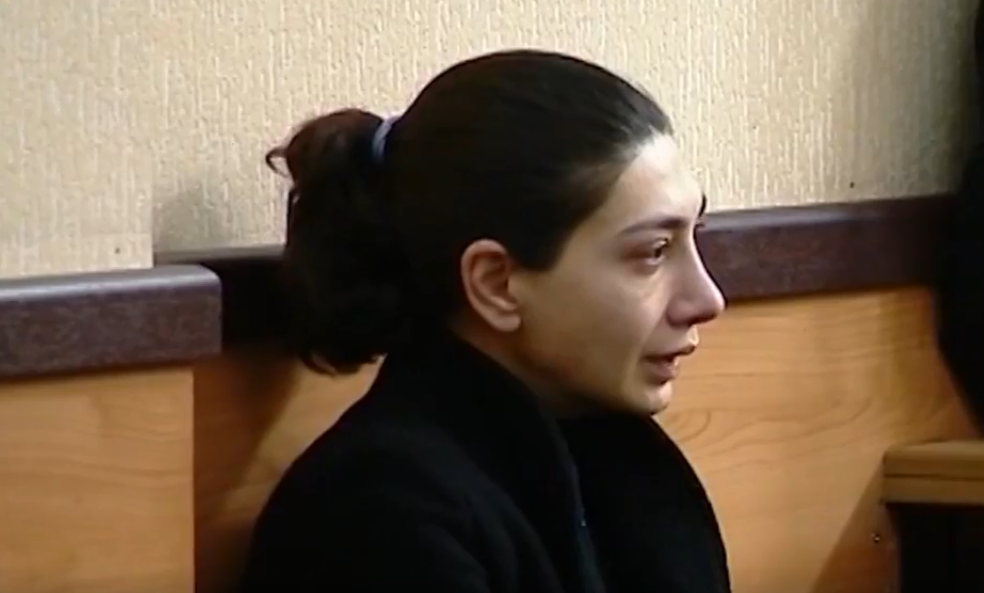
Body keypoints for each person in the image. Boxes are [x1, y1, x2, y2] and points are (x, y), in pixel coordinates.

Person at [238, 49, 730, 593]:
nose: (707, 299)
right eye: (654, 252)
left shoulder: (622, 459)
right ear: (496, 284)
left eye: (695, 235)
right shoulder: (379, 514)